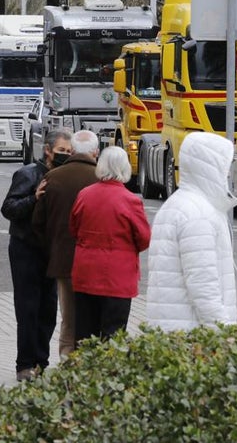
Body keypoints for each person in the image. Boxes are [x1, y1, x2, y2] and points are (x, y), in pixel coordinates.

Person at [146, 132, 237, 331]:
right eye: (225, 165)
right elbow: (203, 283)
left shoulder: (179, 204)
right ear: (210, 166)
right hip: (192, 334)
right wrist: (223, 331)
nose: (228, 173)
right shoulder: (199, 214)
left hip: (173, 328)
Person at [1, 129, 72, 381]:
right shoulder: (27, 174)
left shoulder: (63, 177)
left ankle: (41, 362)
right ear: (48, 150)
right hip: (25, 249)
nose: (65, 155)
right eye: (61, 151)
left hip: (50, 251)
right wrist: (34, 198)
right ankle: (25, 364)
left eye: (69, 152)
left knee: (48, 309)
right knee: (28, 308)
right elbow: (8, 208)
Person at [69, 146, 151, 343]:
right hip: (118, 277)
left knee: (84, 334)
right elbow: (144, 238)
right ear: (125, 169)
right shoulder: (130, 200)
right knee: (113, 334)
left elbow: (73, 229)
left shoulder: (84, 195)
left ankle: (83, 372)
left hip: (86, 273)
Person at [32, 129, 99, 359]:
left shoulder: (54, 177)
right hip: (96, 263)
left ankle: (67, 359)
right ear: (95, 152)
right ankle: (91, 360)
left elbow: (38, 222)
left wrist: (53, 248)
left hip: (63, 260)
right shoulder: (101, 178)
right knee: (92, 314)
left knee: (68, 317)